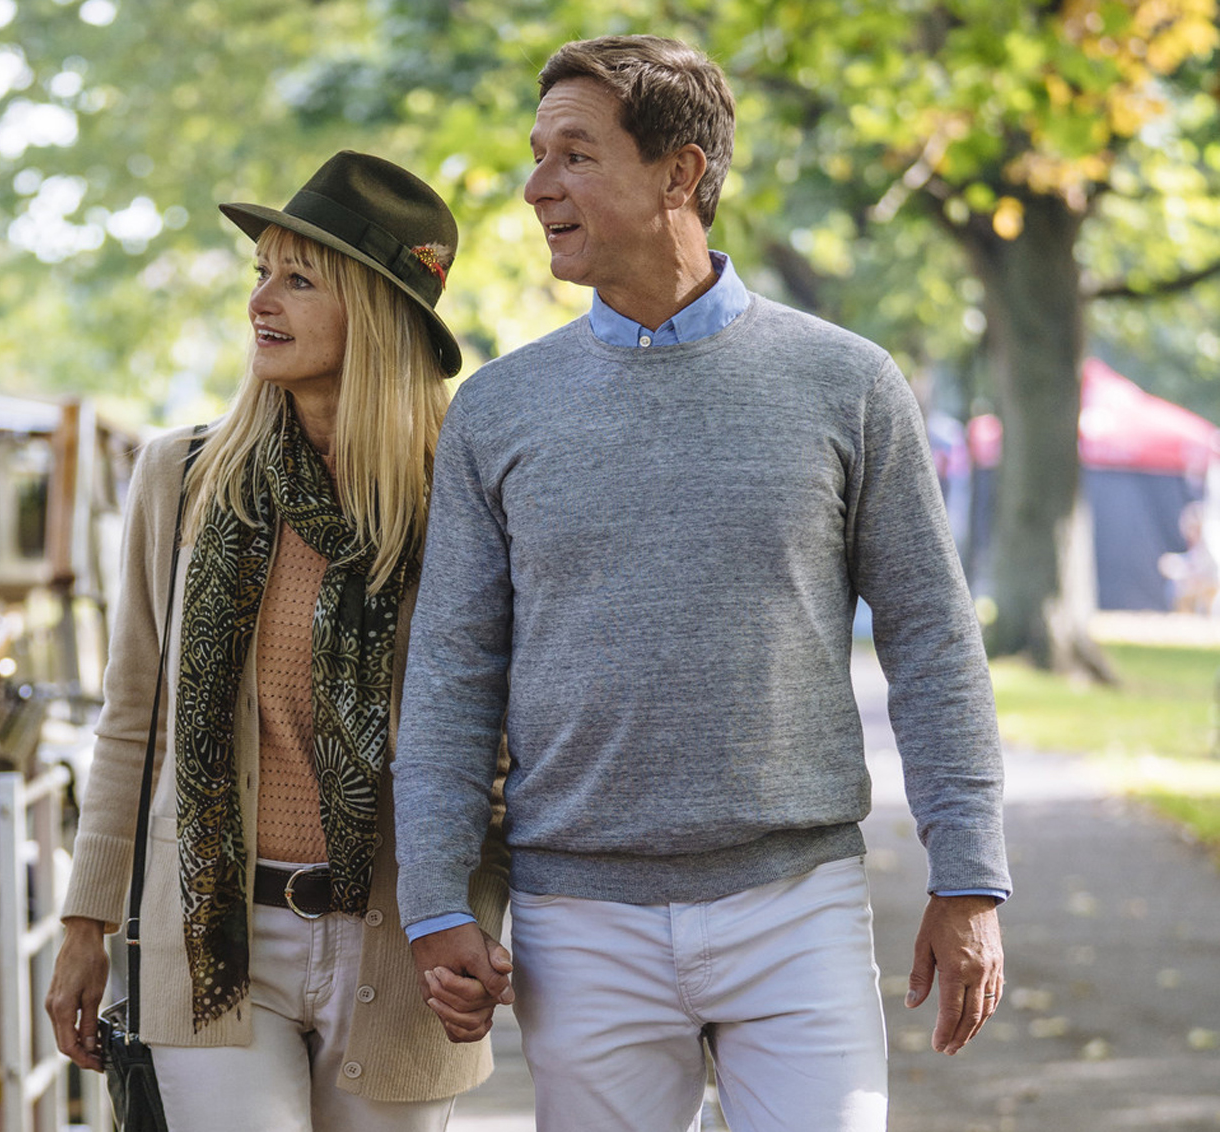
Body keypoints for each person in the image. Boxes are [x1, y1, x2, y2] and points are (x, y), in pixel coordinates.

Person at [391, 35, 1010, 1132]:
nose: (537, 188)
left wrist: (968, 877)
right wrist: (438, 897)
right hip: (580, 915)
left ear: (680, 173)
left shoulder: (849, 383)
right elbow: (450, 672)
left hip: (797, 904)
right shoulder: (497, 409)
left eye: (574, 155)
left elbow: (931, 639)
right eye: (538, 156)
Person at [45, 150, 510, 1132]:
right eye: (261, 271)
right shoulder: (182, 479)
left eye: (301, 279)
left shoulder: (461, 506)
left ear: (379, 315)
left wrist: (487, 914)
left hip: (399, 941)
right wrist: (86, 923)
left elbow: (500, 745)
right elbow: (135, 718)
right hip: (213, 938)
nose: (263, 299)